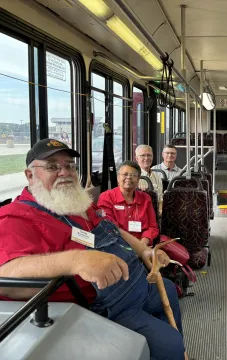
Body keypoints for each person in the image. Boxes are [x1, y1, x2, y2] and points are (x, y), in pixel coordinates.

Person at [0, 138, 186, 360]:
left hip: (135, 281)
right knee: (171, 344)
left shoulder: (75, 202)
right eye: (52, 167)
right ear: (30, 175)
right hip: (107, 306)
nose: (64, 172)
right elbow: (7, 276)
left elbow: (113, 229)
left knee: (169, 289)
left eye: (69, 165)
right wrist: (76, 261)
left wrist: (143, 250)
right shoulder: (15, 217)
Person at [97, 160, 159, 247]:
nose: (129, 177)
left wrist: (143, 243)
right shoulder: (106, 197)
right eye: (125, 174)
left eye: (133, 175)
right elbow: (109, 227)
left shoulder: (145, 198)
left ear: (138, 180)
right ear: (118, 177)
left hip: (144, 245)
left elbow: (152, 226)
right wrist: (134, 246)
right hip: (117, 245)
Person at [135, 144, 163, 216]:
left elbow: (160, 199)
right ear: (137, 158)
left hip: (155, 213)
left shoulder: (157, 177)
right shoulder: (133, 177)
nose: (146, 158)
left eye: (149, 155)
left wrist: (160, 211)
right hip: (138, 213)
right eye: (143, 155)